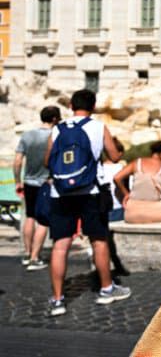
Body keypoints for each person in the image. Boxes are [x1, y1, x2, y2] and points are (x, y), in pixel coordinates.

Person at [43, 89, 130, 317]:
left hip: (60, 193)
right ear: (93, 106)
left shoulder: (58, 128)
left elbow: (47, 160)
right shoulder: (98, 126)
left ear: (71, 105)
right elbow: (114, 157)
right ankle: (106, 289)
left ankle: (58, 300)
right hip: (90, 191)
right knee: (98, 241)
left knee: (60, 245)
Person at [14, 105, 61, 271]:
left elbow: (18, 160)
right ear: (55, 119)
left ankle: (27, 254)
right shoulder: (56, 136)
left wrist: (17, 181)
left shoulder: (27, 135)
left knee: (30, 217)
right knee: (44, 221)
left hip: (29, 181)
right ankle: (35, 258)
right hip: (46, 183)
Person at [114, 141, 161, 224]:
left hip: (132, 213)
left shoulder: (137, 162)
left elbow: (117, 178)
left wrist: (127, 194)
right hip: (157, 213)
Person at [102, 139, 130, 277]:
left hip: (103, 211)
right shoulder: (121, 169)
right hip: (118, 210)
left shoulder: (98, 168)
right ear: (117, 153)